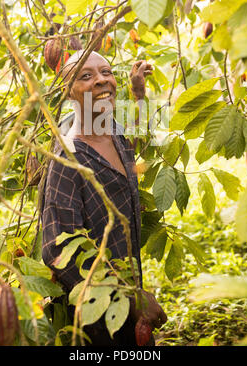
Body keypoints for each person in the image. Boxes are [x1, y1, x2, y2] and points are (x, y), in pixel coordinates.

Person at [41, 50, 167, 346]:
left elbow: (134, 139)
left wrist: (137, 91)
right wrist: (131, 298)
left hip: (127, 287)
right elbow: (56, 252)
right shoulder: (69, 160)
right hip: (95, 317)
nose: (101, 81)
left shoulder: (111, 130)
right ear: (67, 91)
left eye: (106, 72)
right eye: (86, 76)